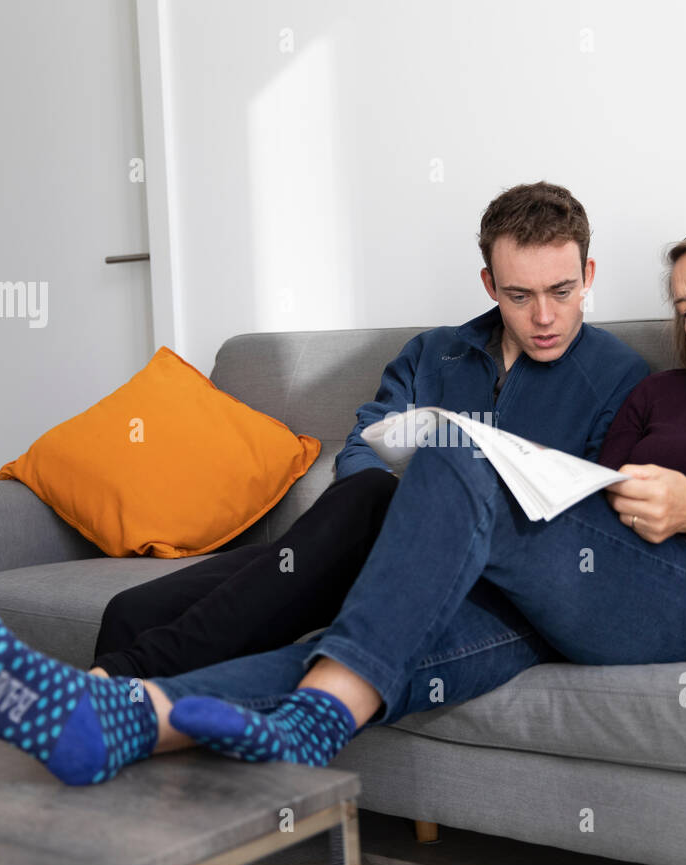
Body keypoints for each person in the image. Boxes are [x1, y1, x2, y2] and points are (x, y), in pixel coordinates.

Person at [0, 210, 686, 785]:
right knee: (370, 642)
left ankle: (279, 715)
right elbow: (589, 492)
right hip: (580, 591)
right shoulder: (658, 392)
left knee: (452, 457)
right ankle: (122, 717)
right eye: (684, 304)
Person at [86, 181, 649, 680]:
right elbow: (362, 449)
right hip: (361, 540)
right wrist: (406, 510)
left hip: (475, 574)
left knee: (373, 501)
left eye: (562, 291)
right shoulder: (435, 354)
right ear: (489, 284)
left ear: (588, 276)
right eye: (519, 296)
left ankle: (116, 686)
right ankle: (117, 766)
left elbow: (591, 519)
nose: (544, 317)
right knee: (130, 611)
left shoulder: (619, 377)